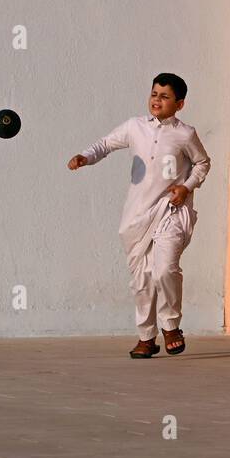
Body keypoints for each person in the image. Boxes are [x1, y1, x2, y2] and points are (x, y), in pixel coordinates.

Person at [68, 73, 210, 358]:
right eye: (154, 94)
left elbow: (202, 163)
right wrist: (86, 157)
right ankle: (147, 336)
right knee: (142, 278)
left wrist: (186, 187)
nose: (157, 100)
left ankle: (170, 325)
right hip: (137, 215)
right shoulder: (135, 127)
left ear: (179, 104)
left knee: (164, 269)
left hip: (171, 210)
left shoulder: (185, 134)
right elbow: (106, 144)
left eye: (165, 96)